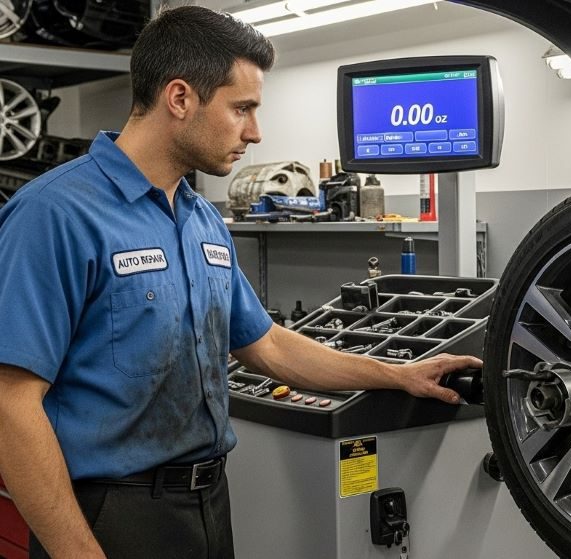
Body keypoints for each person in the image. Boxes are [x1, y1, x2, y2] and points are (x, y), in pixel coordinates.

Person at [0, 6, 480, 558]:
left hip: (208, 503)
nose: (255, 132)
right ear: (179, 98)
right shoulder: (55, 215)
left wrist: (399, 375)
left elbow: (266, 343)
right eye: (242, 109)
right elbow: (11, 403)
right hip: (106, 514)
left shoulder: (202, 218)